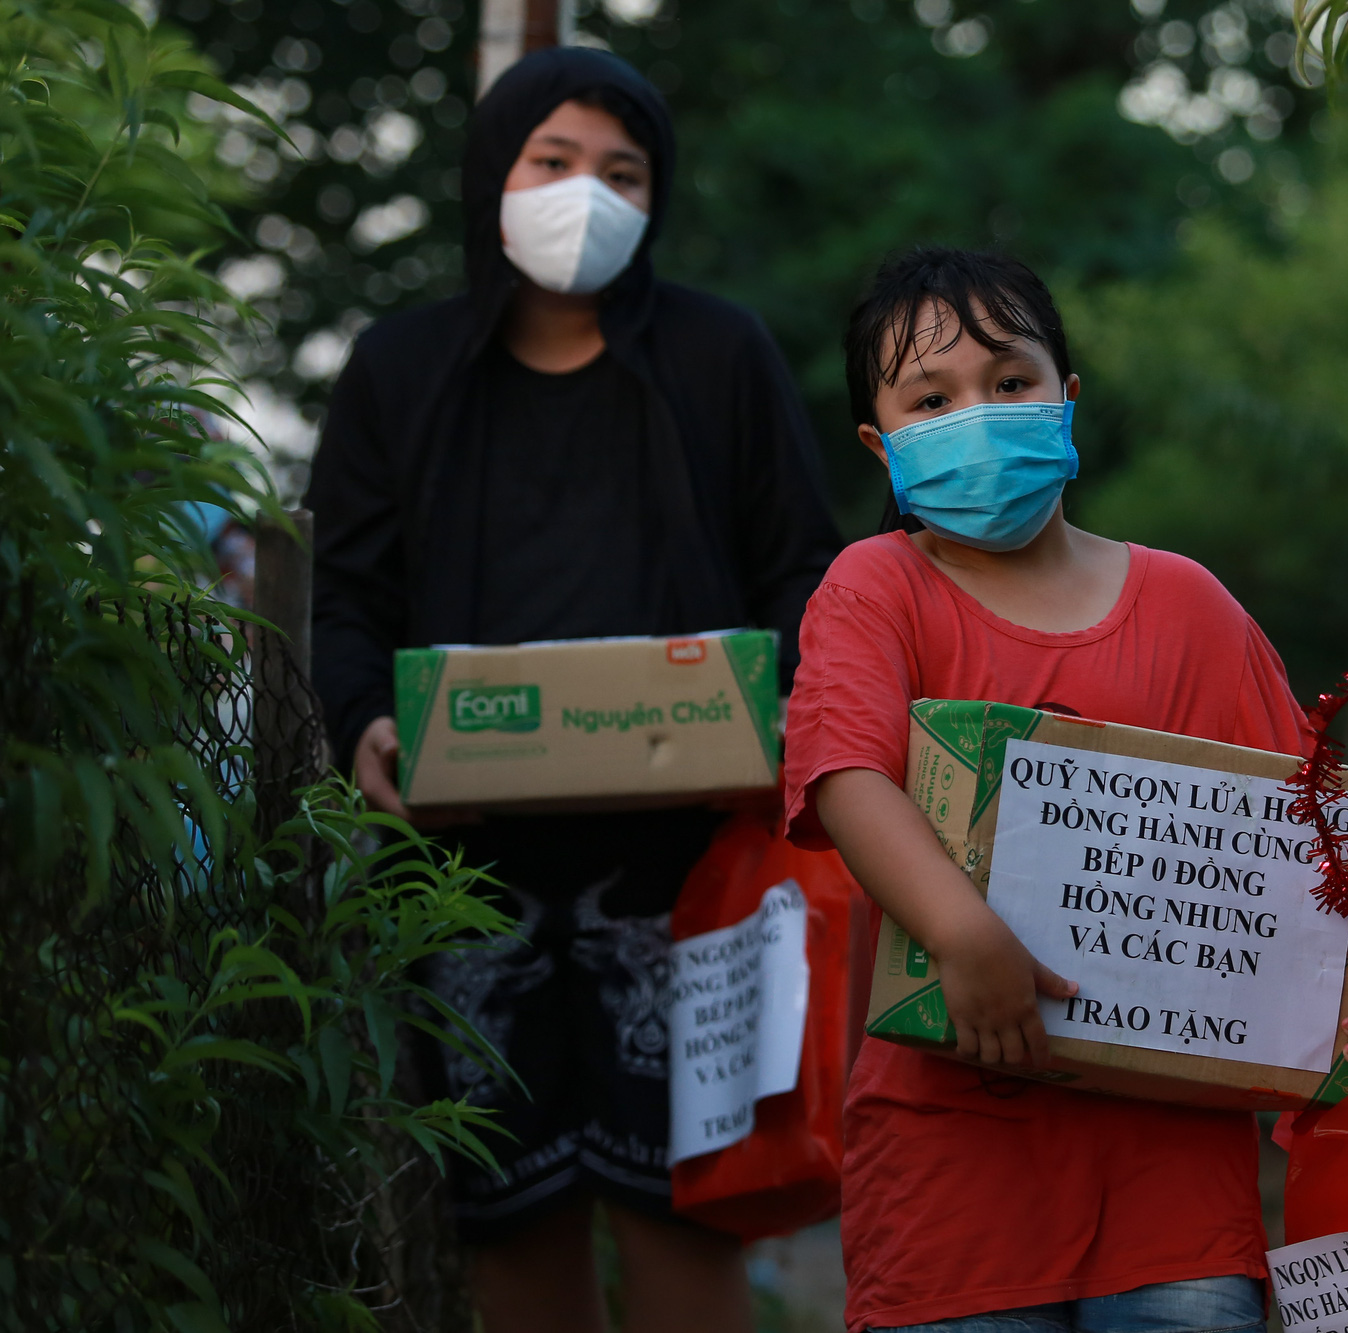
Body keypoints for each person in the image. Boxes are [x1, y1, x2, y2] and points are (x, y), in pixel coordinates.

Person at [304, 47, 842, 1333]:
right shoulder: (401, 366)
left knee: (687, 1214)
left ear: (657, 197)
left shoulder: (720, 354)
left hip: (694, 866)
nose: (584, 193)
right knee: (509, 1225)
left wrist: (780, 715)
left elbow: (807, 570)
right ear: (495, 172)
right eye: (554, 163)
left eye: (622, 171)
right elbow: (347, 596)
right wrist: (366, 722)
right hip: (463, 871)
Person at [780, 247, 1348, 1333]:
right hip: (946, 1195)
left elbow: (1303, 843)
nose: (977, 413)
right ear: (883, 447)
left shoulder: (1190, 606)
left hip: (1175, 1207)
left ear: (1066, 401)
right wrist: (961, 934)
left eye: (1008, 381)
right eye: (932, 398)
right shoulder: (872, 588)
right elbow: (843, 773)